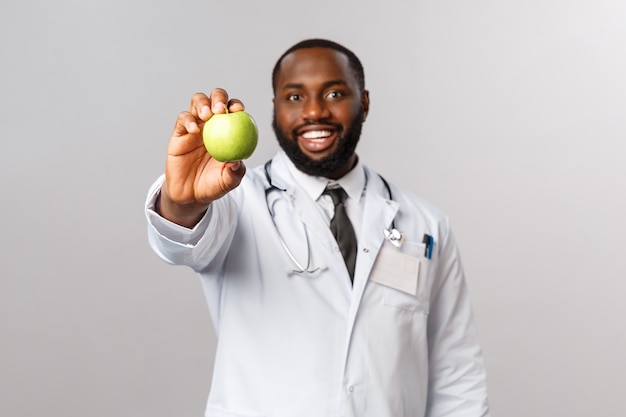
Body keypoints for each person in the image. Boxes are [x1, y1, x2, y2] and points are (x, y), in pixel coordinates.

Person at [145, 38, 490, 417]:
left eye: (334, 93)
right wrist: (182, 200)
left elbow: (456, 371)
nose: (314, 111)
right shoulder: (238, 203)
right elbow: (182, 241)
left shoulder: (425, 224)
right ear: (274, 109)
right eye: (294, 97)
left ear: (365, 103)